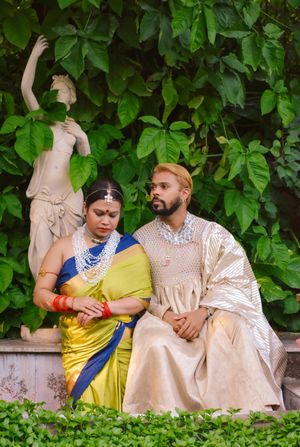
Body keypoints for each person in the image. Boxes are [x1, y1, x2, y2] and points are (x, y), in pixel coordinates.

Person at [123, 163, 288, 413]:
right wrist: (166, 315)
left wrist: (201, 313)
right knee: (155, 340)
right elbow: (136, 289)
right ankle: (166, 416)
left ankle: (250, 413)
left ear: (185, 193)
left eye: (164, 186)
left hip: (208, 313)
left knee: (236, 326)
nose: (155, 192)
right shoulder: (141, 238)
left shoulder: (211, 233)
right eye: (153, 186)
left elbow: (234, 279)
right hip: (160, 317)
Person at [33, 178, 152, 410]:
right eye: (99, 213)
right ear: (84, 208)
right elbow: (40, 295)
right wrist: (75, 302)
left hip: (119, 340)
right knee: (86, 413)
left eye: (113, 215)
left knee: (124, 413)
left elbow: (141, 300)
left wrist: (102, 310)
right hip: (81, 343)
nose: (106, 221)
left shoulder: (131, 250)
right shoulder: (62, 247)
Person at [21, 35, 91, 279]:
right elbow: (25, 89)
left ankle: (68, 301)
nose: (57, 93)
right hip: (44, 197)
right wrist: (35, 54)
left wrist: (83, 138)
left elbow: (86, 164)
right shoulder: (41, 121)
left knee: (70, 254)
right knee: (41, 252)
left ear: (71, 97)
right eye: (53, 90)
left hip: (69, 198)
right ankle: (45, 299)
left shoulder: (74, 128)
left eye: (62, 89)